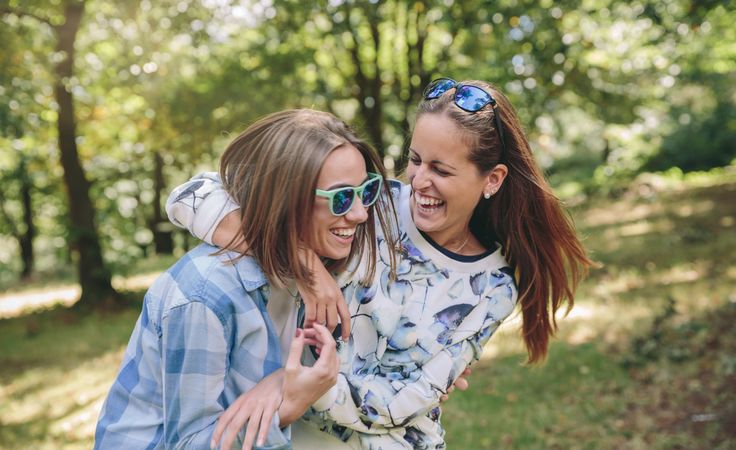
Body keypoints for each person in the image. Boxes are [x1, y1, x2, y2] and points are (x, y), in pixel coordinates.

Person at [167, 78, 592, 449]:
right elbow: (191, 197)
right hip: (291, 437)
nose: (420, 181)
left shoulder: (490, 288)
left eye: (441, 170)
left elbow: (398, 403)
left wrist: (292, 384)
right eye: (416, 160)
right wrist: (303, 264)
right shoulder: (373, 202)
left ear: (492, 179)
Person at [94, 109, 399, 450]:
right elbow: (189, 443)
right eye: (341, 198)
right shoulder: (207, 295)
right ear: (285, 199)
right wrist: (287, 406)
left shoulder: (329, 260)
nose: (359, 213)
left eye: (366, 191)